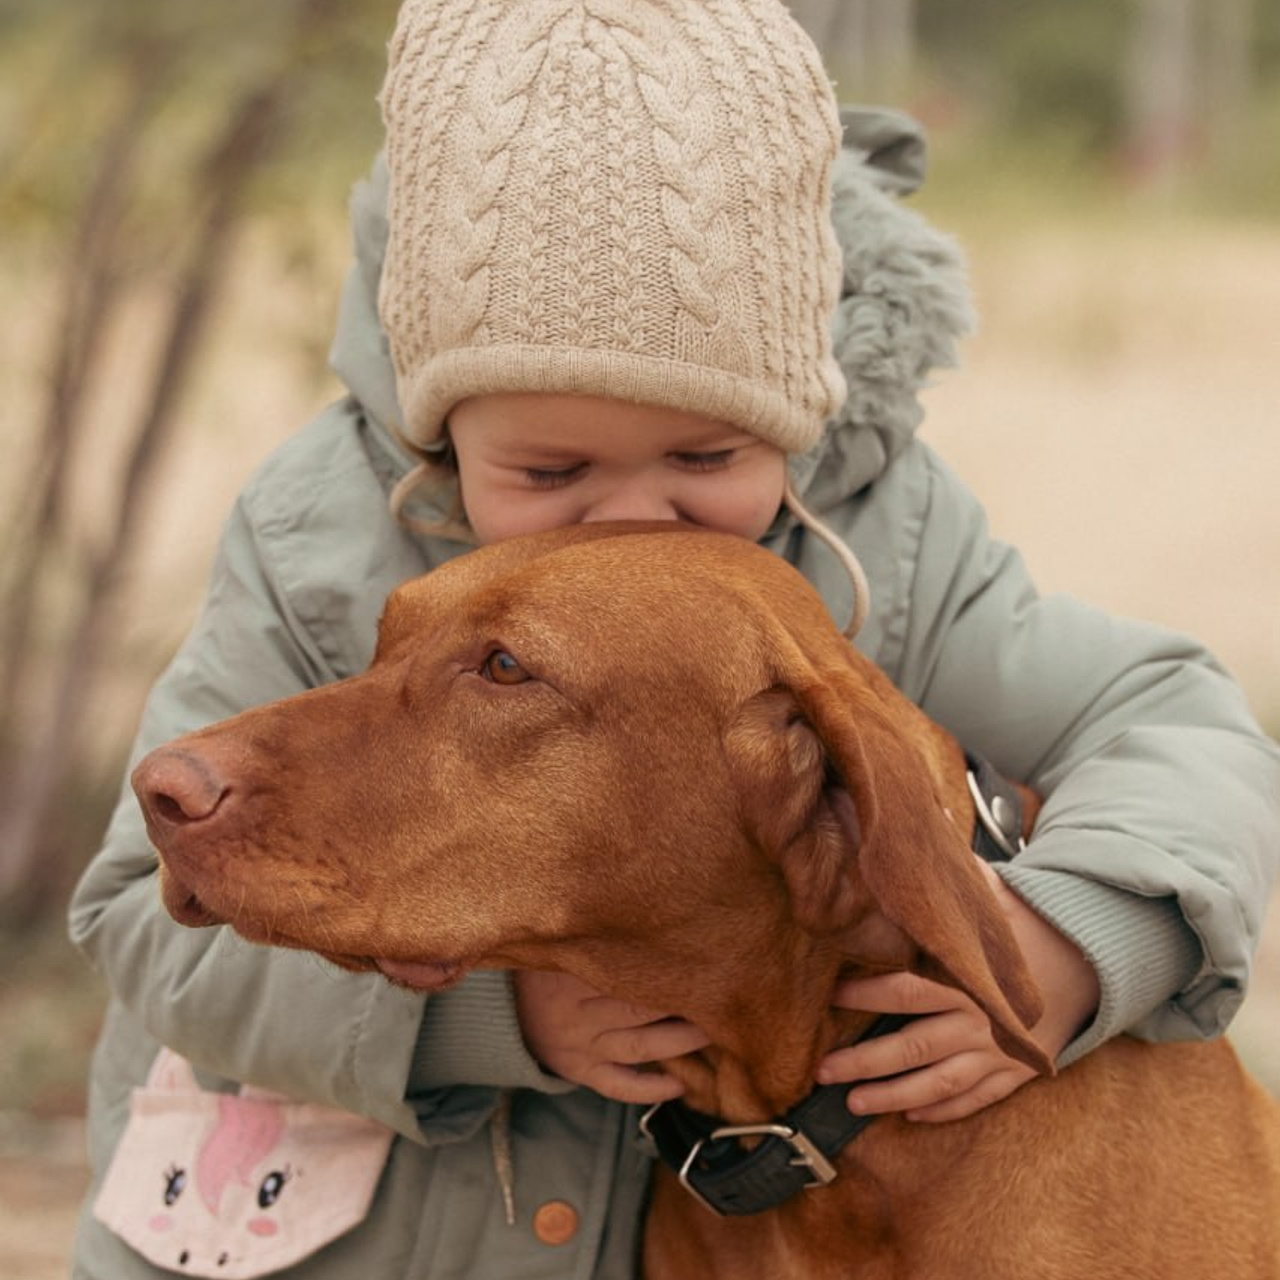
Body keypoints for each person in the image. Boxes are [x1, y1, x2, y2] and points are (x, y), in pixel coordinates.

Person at [69, 1, 1280, 1276]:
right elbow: (137, 906)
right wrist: (490, 1016)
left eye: (704, 456)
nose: (633, 518)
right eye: (550, 470)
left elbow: (1175, 725)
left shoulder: (877, 532)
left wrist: (1071, 945)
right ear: (444, 428)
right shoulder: (319, 527)